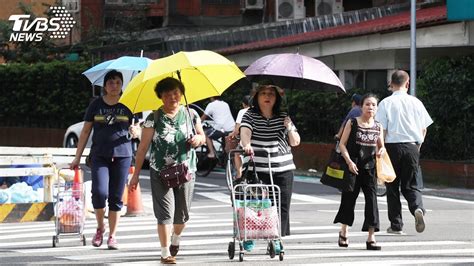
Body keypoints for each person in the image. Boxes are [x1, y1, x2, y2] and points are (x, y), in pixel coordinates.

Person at [129, 77, 206, 264]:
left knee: (182, 215)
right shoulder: (153, 118)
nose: (173, 97)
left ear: (181, 93)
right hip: (160, 171)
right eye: (167, 94)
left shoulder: (191, 114)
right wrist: (136, 175)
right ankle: (165, 253)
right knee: (164, 214)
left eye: (176, 93)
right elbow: (142, 148)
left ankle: (176, 238)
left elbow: (202, 136)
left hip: (186, 170)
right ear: (160, 97)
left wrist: (198, 140)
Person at [70, 70, 140, 250]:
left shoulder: (130, 104)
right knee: (100, 193)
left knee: (116, 197)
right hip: (99, 155)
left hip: (123, 155)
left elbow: (138, 129)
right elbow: (85, 132)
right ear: (105, 85)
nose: (114, 86)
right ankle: (101, 228)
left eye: (117, 82)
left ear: (122, 85)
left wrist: (135, 132)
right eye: (110, 82)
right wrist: (77, 158)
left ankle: (113, 235)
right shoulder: (96, 105)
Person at [240, 80, 301, 250]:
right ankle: (249, 236)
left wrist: (289, 126)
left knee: (282, 206)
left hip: (283, 168)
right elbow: (245, 132)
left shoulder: (283, 116)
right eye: (264, 93)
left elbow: (295, 142)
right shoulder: (249, 115)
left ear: (277, 98)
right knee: (255, 205)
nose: (267, 97)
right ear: (257, 97)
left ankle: (276, 238)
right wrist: (247, 144)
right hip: (257, 168)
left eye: (271, 94)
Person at [375, 70, 433, 234]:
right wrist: (417, 146)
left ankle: (396, 225)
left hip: (392, 147)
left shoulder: (385, 103)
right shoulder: (416, 103)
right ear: (407, 84)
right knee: (411, 185)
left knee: (392, 186)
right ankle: (417, 208)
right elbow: (423, 129)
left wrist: (380, 148)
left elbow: (382, 129)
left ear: (391, 83)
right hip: (412, 146)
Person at [334, 93, 385, 251]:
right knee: (348, 200)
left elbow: (381, 145)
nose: (370, 107)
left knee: (372, 202)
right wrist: (349, 162)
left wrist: (381, 151)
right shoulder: (353, 122)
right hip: (352, 167)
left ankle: (371, 237)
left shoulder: (378, 126)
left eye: (374, 105)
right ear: (361, 107)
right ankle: (344, 231)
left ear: (377, 108)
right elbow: (342, 144)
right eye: (367, 104)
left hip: (370, 168)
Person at [228, 95, 251, 178]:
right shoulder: (259, 111)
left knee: (237, 153)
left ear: (243, 104)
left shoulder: (242, 111)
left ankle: (239, 174)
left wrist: (232, 134)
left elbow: (237, 130)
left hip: (247, 143)